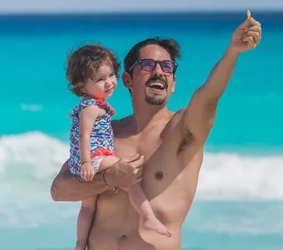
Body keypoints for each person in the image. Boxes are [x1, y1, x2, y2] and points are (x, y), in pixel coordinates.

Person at [50, 14, 262, 250]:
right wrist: (109, 179)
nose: (159, 71)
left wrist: (233, 52)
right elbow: (59, 190)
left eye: (167, 67)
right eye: (148, 65)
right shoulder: (106, 133)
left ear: (173, 83)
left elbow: (209, 96)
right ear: (128, 79)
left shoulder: (183, 130)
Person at [65, 44, 173, 250]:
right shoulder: (92, 107)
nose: (109, 83)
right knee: (131, 179)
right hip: (95, 157)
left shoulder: (89, 105)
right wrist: (88, 162)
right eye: (99, 79)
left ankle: (80, 244)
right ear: (81, 86)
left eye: (111, 75)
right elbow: (83, 135)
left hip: (88, 159)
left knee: (88, 206)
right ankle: (148, 217)